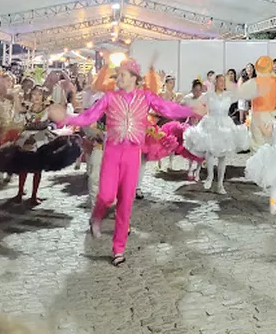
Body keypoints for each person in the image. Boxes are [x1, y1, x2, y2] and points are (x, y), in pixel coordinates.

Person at [48, 58, 199, 267]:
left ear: (135, 78)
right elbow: (88, 116)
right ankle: (96, 217)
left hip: (132, 154)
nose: (118, 78)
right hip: (112, 152)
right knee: (106, 196)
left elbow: (168, 109)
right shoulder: (109, 98)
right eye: (117, 74)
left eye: (122, 75)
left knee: (126, 202)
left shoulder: (145, 97)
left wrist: (191, 110)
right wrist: (66, 118)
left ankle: (118, 248)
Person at [183, 74, 256, 194]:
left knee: (223, 156)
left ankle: (220, 184)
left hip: (224, 124)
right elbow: (196, 103)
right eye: (220, 81)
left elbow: (241, 93)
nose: (222, 83)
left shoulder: (229, 95)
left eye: (224, 81)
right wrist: (194, 114)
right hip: (211, 122)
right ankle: (210, 176)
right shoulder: (208, 95)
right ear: (215, 83)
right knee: (210, 152)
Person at [248, 56, 276, 151]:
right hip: (271, 114)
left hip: (257, 115)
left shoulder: (253, 82)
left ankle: (259, 163)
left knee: (257, 144)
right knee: (270, 142)